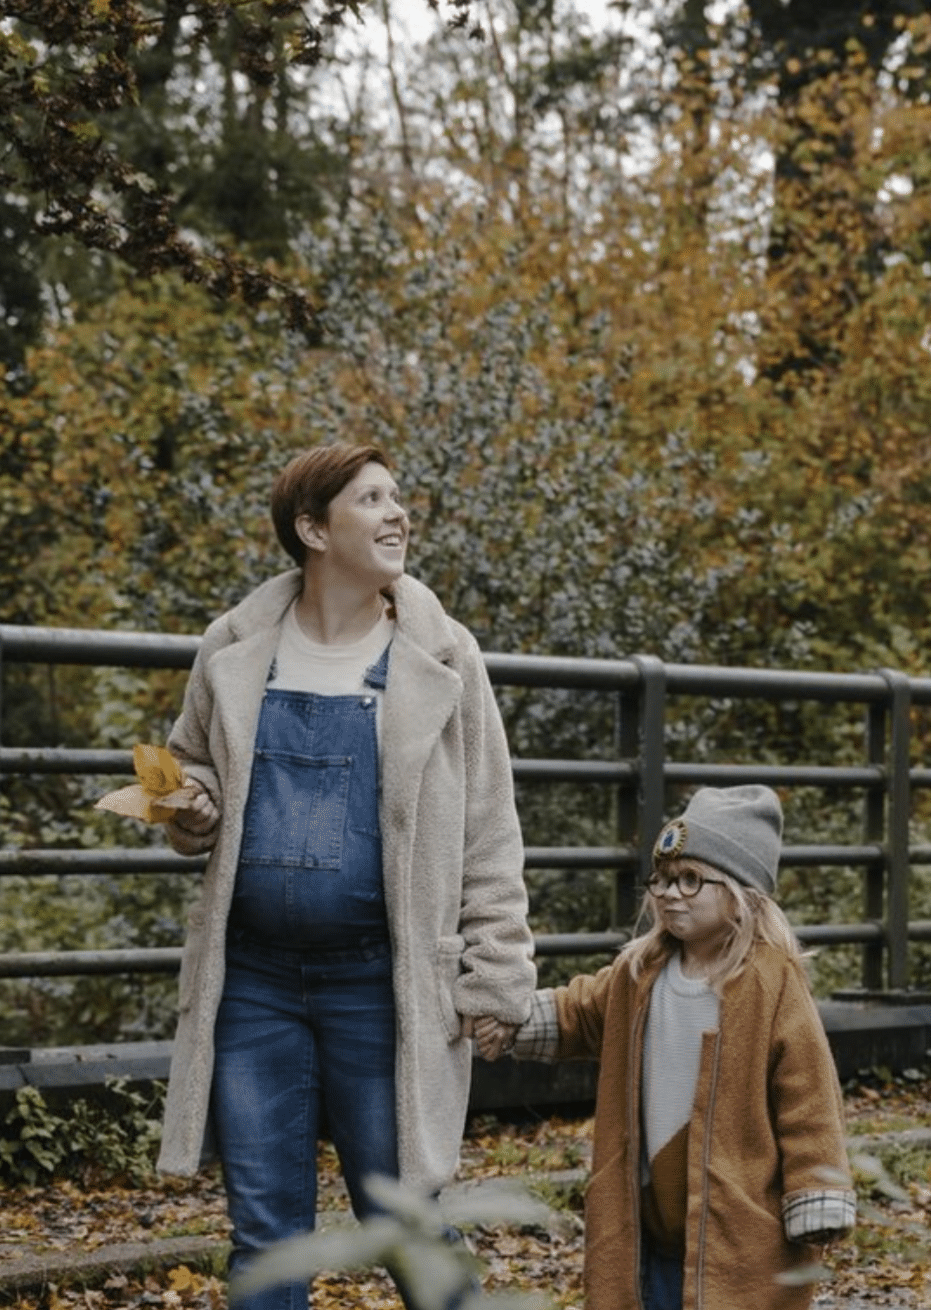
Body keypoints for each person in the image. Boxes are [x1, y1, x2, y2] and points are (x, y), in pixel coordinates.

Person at [152, 443, 538, 1310]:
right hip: (253, 985)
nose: (398, 513)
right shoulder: (236, 646)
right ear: (313, 527)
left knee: (403, 1217)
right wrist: (194, 806)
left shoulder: (446, 656)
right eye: (372, 499)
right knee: (263, 1236)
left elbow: (490, 825)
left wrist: (498, 972)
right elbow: (193, 764)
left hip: (384, 987)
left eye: (398, 496)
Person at [509, 784, 855, 1310]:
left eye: (691, 880)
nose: (670, 893)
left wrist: (816, 1187)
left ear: (741, 893)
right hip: (648, 1225)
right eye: (663, 879)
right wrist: (506, 1019)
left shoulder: (770, 982)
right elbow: (579, 1013)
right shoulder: (639, 973)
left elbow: (808, 1096)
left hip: (737, 1237)